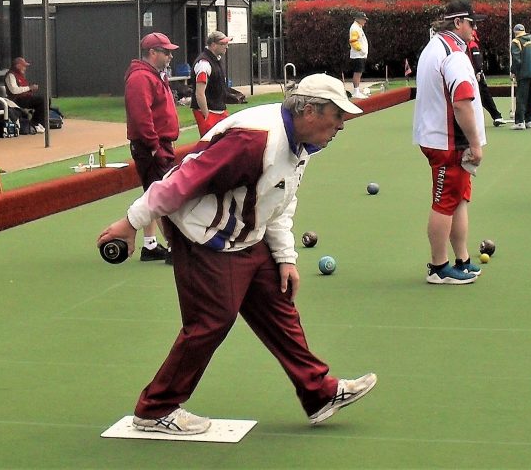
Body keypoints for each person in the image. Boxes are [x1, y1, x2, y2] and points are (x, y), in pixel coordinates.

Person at [96, 74, 376, 434]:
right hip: (203, 236)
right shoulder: (254, 141)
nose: (341, 125)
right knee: (210, 322)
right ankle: (155, 409)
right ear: (308, 110)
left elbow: (279, 201)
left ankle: (318, 392)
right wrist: (131, 222)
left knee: (279, 308)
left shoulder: (302, 144)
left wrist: (285, 256)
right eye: (337, 115)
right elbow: (182, 180)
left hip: (246, 235)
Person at [413, 0, 487, 285]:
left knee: (458, 201)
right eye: (472, 23)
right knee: (445, 203)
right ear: (458, 23)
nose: (474, 28)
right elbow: (462, 102)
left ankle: (462, 260)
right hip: (449, 142)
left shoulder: (434, 47)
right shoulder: (454, 54)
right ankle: (438, 266)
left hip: (442, 137)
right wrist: (476, 143)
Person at [125, 32, 180, 262]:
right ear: (152, 53)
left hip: (157, 143)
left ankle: (150, 245)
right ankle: (174, 245)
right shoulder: (140, 77)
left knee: (152, 192)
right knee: (163, 195)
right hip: (151, 145)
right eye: (165, 52)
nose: (170, 56)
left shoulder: (153, 74)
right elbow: (141, 116)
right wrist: (154, 145)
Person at [190, 30, 232, 136]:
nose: (226, 47)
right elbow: (199, 93)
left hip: (219, 110)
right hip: (209, 111)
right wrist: (206, 115)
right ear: (213, 45)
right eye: (223, 44)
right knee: (210, 146)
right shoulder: (204, 64)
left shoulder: (215, 60)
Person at [468, 20, 505, 126]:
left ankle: (497, 116)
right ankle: (497, 116)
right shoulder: (472, 44)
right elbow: (477, 60)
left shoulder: (471, 44)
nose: (475, 29)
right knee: (483, 96)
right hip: (474, 74)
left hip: (474, 74)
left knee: (483, 96)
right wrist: (479, 71)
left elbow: (476, 59)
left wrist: (478, 71)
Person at [5, 56, 48, 132]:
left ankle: (38, 123)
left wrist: (30, 89)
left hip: (24, 98)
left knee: (45, 100)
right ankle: (35, 123)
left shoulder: (20, 75)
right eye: (23, 66)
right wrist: (29, 88)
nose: (25, 68)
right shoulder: (10, 75)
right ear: (18, 66)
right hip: (16, 100)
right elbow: (14, 90)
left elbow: (23, 88)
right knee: (42, 100)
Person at [510, 23, 531, 129]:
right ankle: (529, 120)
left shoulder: (516, 41)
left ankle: (519, 122)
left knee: (521, 98)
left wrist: (513, 71)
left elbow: (516, 59)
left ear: (515, 32)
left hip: (523, 73)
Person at [348, 11, 370, 97]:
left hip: (360, 55)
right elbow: (353, 41)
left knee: (359, 72)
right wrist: (361, 50)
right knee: (357, 73)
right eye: (364, 19)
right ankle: (356, 92)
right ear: (359, 19)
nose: (365, 21)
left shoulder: (358, 27)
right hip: (358, 55)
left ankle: (357, 91)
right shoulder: (355, 28)